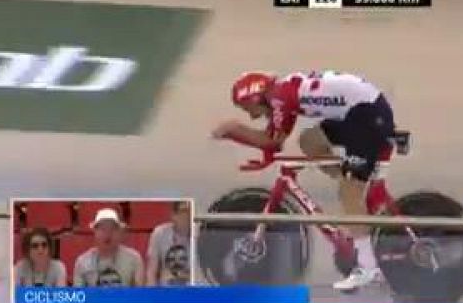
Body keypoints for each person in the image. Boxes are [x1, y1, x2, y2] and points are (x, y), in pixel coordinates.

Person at [212, 70, 396, 290]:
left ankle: (368, 267)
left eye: (248, 109)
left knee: (349, 193)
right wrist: (266, 157)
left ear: (255, 98)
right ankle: (352, 190)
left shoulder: (280, 98)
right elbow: (274, 140)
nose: (251, 116)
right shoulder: (281, 93)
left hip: (366, 117)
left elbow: (272, 141)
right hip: (361, 113)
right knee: (310, 141)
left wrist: (234, 130)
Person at [73, 208, 144, 287]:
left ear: (119, 232)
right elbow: (79, 295)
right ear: (95, 232)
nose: (108, 234)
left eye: (113, 229)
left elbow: (140, 294)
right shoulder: (83, 262)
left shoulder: (134, 259)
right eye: (102, 229)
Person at [146, 201, 192, 286]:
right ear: (173, 215)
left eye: (191, 212)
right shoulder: (160, 233)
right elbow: (151, 272)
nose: (188, 216)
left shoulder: (200, 236)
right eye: (183, 211)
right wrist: (151, 296)